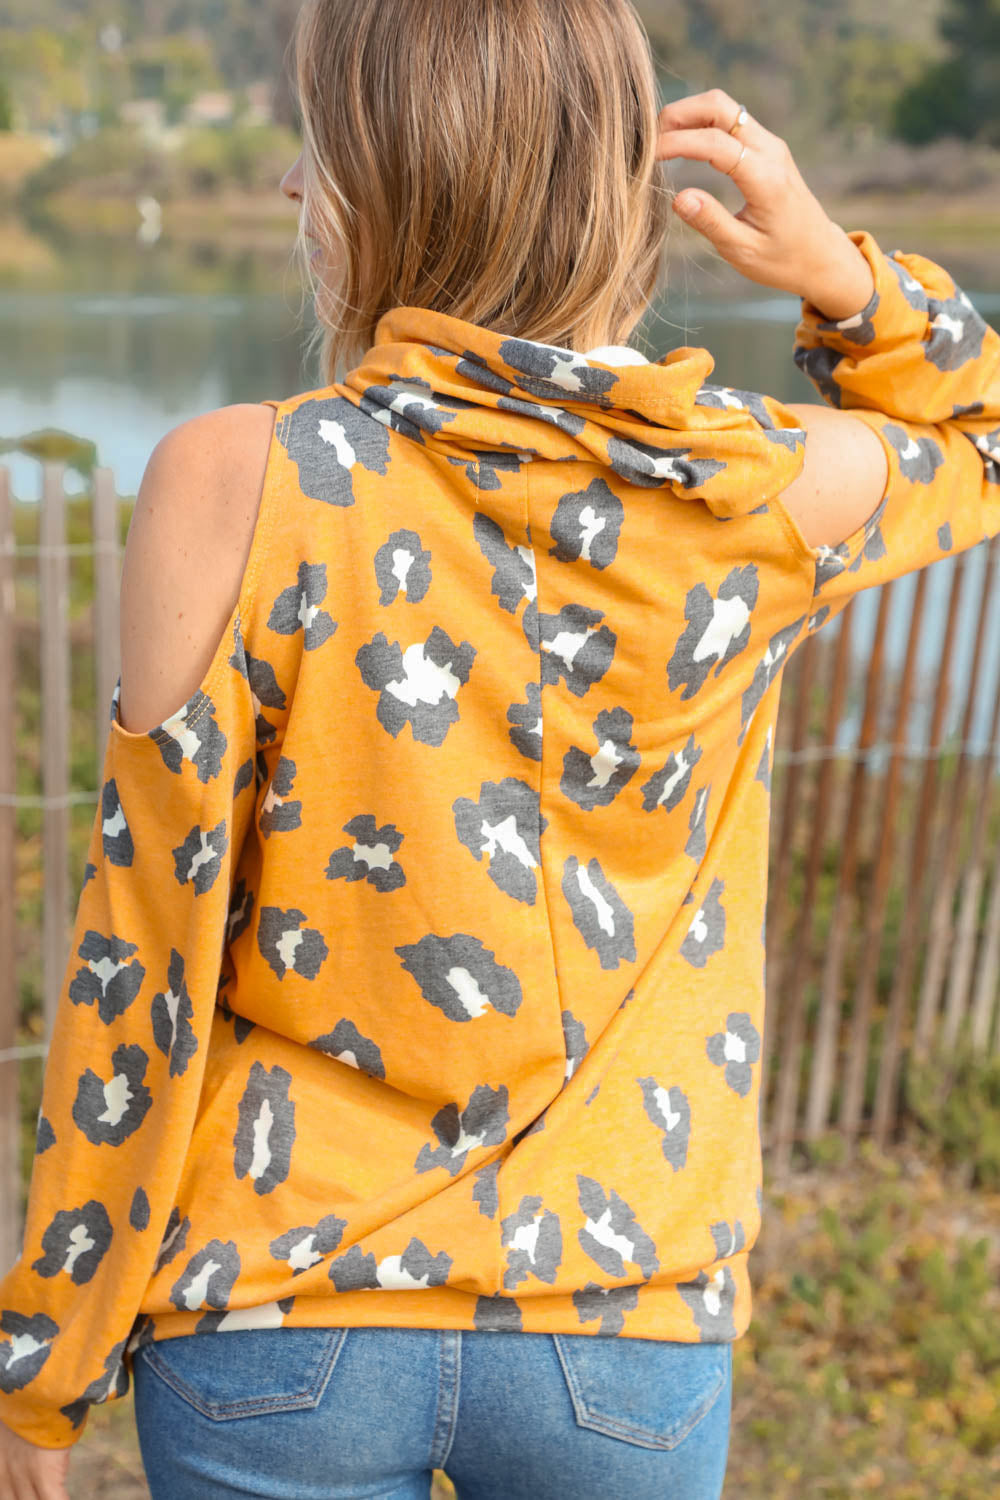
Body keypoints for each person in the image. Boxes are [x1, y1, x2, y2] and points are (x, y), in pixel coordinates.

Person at [1, 1, 998, 1497]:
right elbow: (984, 433)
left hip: (284, 1311)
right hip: (627, 1318)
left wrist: (43, 1370)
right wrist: (842, 278)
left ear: (389, 183)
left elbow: (145, 961)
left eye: (325, 145)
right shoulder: (759, 492)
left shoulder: (241, 479)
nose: (295, 183)